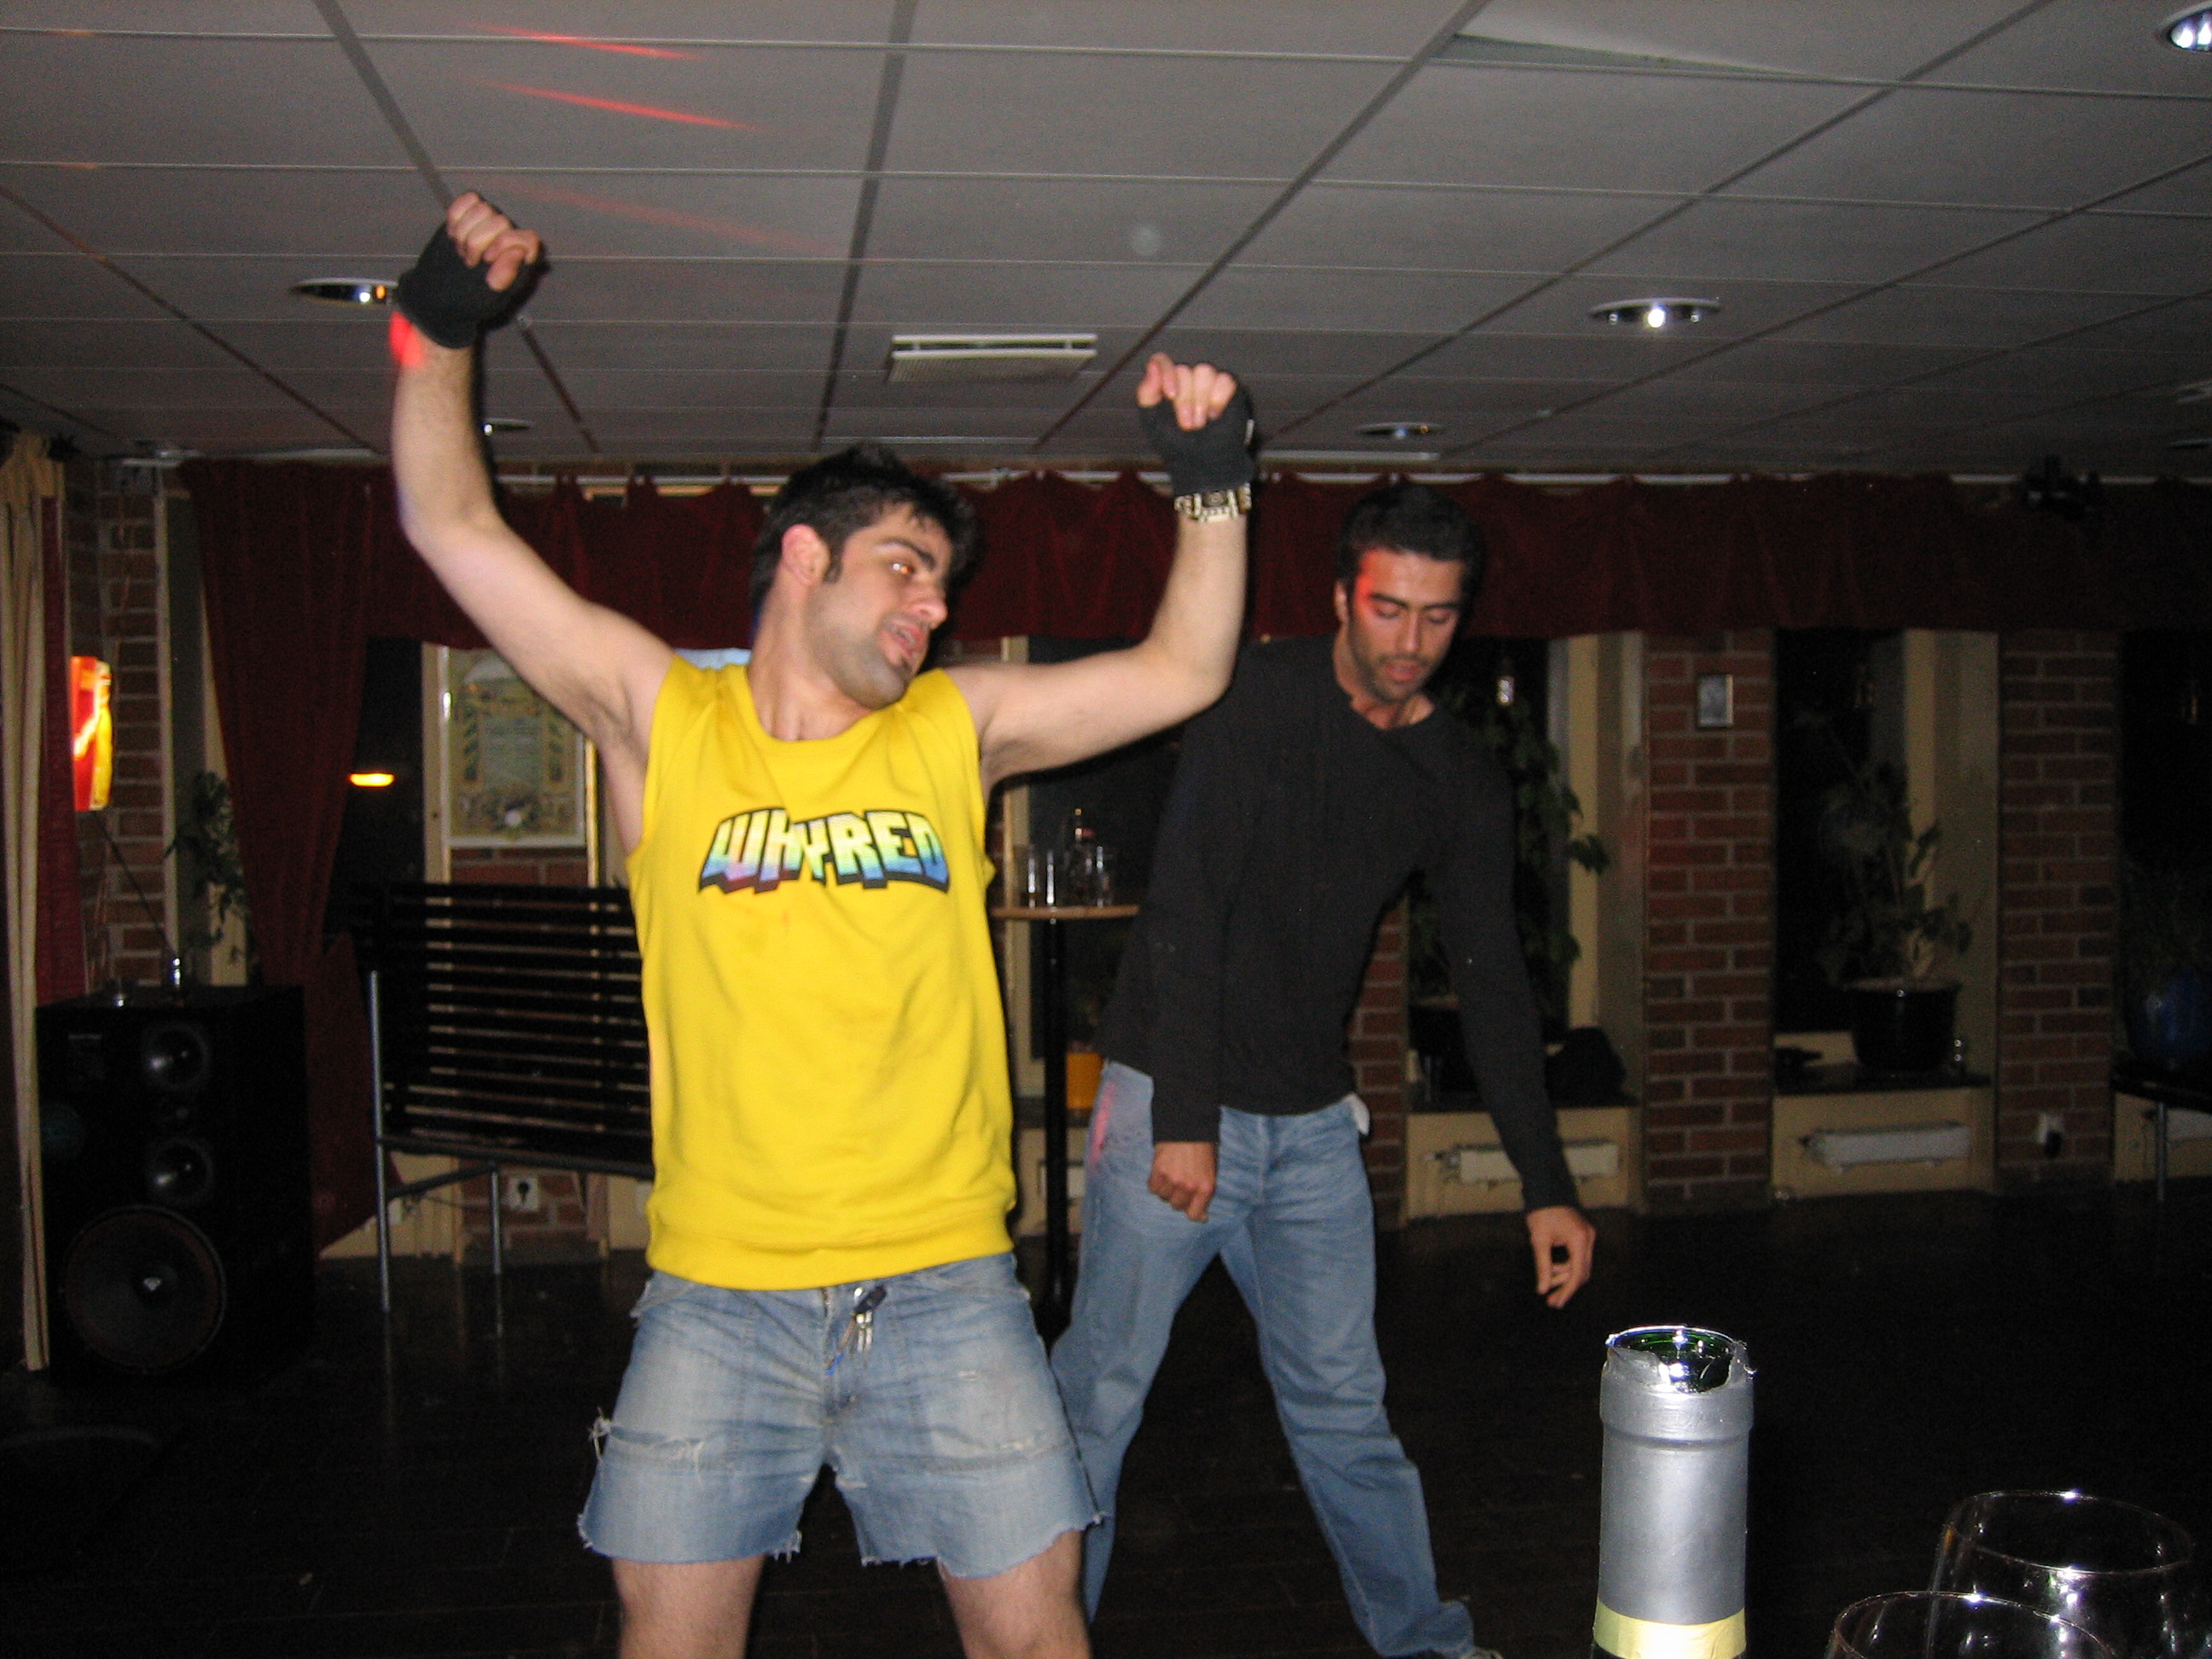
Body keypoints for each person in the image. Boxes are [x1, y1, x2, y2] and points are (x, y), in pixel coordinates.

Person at [387, 193, 1256, 1659]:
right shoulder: (662, 718)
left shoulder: (953, 728)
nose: (931, 609)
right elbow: (449, 522)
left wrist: (1214, 480)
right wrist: (438, 327)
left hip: (946, 1282)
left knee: (1038, 1638)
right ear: (803, 556)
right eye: (906, 567)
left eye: (943, 587)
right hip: (719, 1291)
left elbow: (1184, 669)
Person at [1049, 481, 1598, 1659]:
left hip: (1308, 1124)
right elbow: (1188, 904)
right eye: (1389, 608)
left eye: (1438, 616)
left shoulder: (1454, 773)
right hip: (1173, 1096)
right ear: (1342, 597)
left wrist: (1545, 1182)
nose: (1411, 641)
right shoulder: (1256, 696)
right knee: (1097, 1399)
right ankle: (1041, 1642)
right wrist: (1187, 1115)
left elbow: (1494, 980)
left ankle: (1426, 1644)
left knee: (1346, 1409)